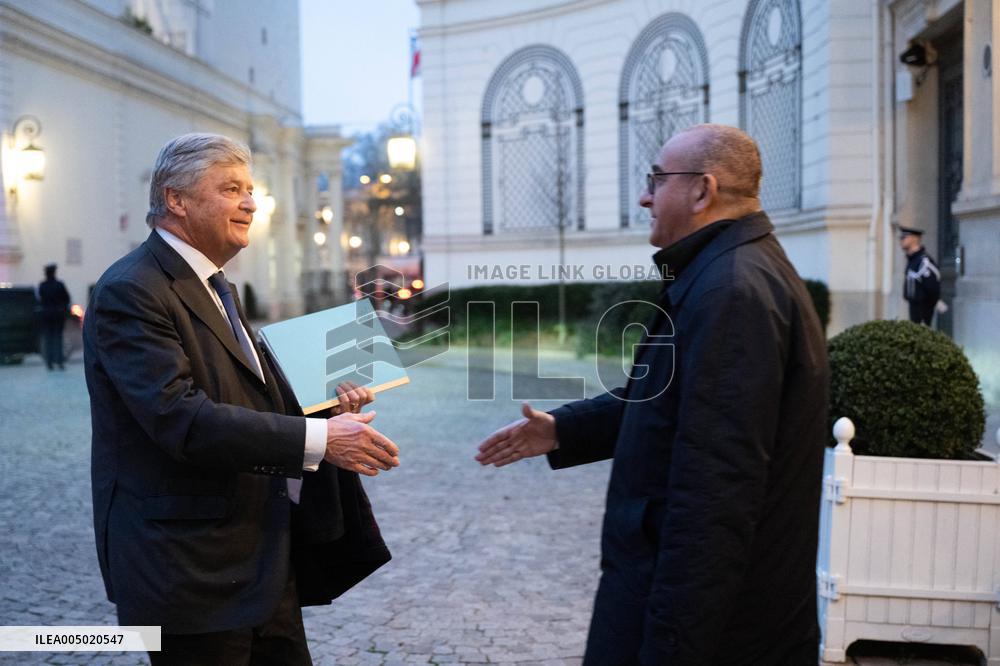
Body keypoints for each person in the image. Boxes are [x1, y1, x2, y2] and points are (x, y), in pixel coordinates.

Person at [478, 124, 829, 665]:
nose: (644, 195)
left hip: (716, 628)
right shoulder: (724, 272)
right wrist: (564, 429)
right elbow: (669, 402)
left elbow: (716, 492)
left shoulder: (732, 290)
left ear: (701, 190)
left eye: (657, 179)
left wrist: (669, 644)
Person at [84, 133, 401, 665]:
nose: (251, 202)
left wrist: (322, 406)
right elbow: (181, 419)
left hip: (260, 563)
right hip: (188, 573)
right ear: (175, 199)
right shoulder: (132, 289)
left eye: (250, 189)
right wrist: (321, 440)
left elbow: (244, 396)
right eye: (232, 189)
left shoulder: (216, 284)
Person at [899, 225, 941, 325]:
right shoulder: (912, 260)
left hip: (923, 310)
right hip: (913, 308)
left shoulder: (923, 262)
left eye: (904, 237)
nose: (901, 241)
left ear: (915, 238)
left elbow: (932, 288)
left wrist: (931, 305)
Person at [37, 262, 70, 370]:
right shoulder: (59, 285)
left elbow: (40, 300)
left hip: (46, 315)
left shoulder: (42, 285)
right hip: (58, 314)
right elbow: (67, 299)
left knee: (48, 339)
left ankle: (49, 362)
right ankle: (59, 361)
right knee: (58, 338)